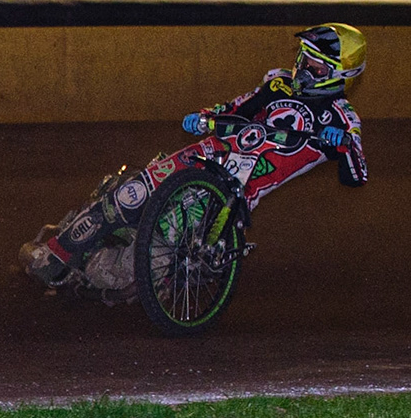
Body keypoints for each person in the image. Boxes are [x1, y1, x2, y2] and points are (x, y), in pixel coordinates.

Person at [23, 25, 369, 287]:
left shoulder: (341, 118)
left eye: (316, 67)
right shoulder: (278, 84)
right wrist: (205, 116)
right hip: (208, 153)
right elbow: (237, 108)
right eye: (304, 59)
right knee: (128, 196)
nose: (303, 69)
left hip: (234, 191)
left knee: (131, 263)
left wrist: (342, 144)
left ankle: (102, 269)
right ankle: (55, 252)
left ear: (340, 75)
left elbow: (357, 175)